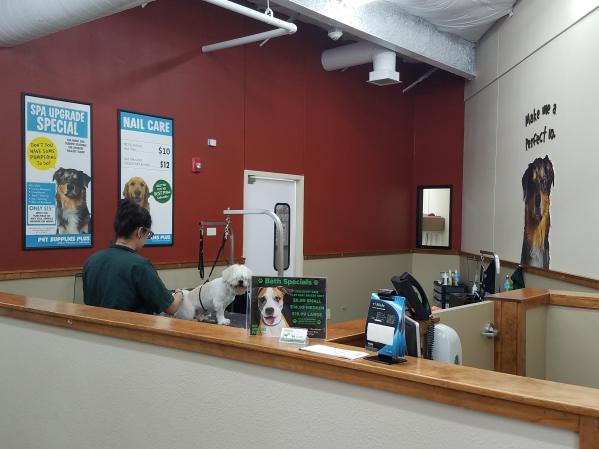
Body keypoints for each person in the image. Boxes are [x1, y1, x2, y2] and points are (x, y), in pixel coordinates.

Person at [82, 198, 183, 315]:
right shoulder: (140, 266)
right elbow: (171, 307)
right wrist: (179, 294)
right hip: (130, 326)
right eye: (148, 234)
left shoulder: (91, 261)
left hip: (95, 326)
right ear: (140, 232)